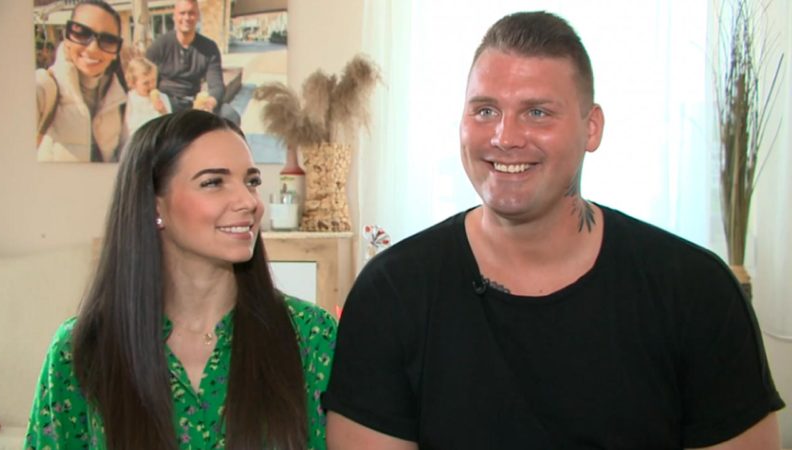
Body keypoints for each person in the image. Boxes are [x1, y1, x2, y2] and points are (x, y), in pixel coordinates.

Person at [324, 11, 785, 450]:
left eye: (537, 113)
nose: (505, 137)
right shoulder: (391, 295)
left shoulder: (695, 291)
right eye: (485, 111)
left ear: (592, 128)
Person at [24, 110, 336, 450]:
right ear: (154, 205)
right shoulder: (80, 349)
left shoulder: (312, 336)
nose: (249, 201)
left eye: (252, 181)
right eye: (213, 182)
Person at [35, 0, 127, 163]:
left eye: (107, 40)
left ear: (115, 52)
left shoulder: (121, 97)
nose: (93, 48)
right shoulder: (44, 85)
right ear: (67, 37)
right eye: (82, 34)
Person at [146, 0, 241, 126]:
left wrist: (210, 103)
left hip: (195, 103)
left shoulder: (209, 48)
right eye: (182, 13)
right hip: (166, 102)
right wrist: (153, 99)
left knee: (230, 115)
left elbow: (217, 85)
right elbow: (144, 75)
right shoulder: (160, 45)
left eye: (191, 13)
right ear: (174, 16)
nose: (186, 17)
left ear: (198, 16)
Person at [124, 56, 172, 135]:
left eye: (154, 80)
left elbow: (169, 126)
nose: (151, 85)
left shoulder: (162, 97)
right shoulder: (129, 100)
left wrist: (163, 111)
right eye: (146, 83)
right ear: (133, 83)